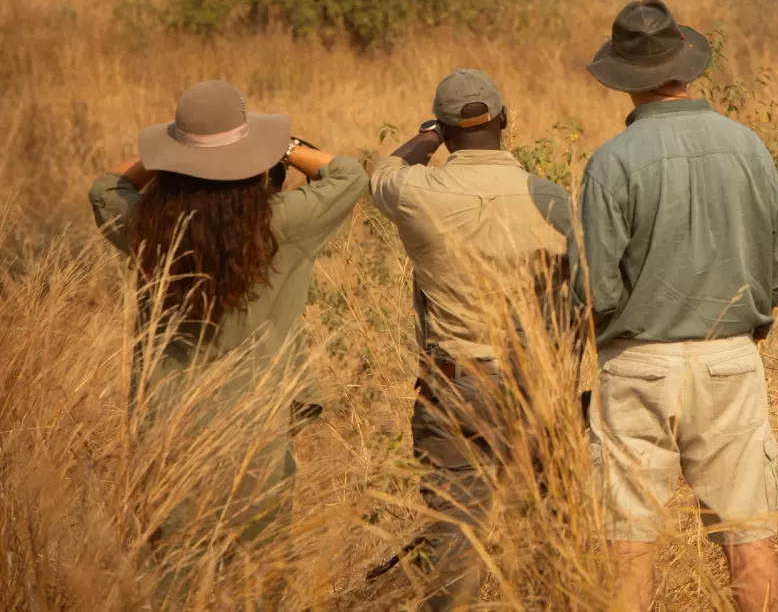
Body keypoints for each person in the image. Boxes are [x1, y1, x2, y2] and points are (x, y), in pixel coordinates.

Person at [87, 80, 367, 550]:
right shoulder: (281, 222)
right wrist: (287, 148)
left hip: (165, 429)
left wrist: (171, 154)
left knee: (173, 568)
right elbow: (348, 175)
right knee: (257, 570)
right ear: (252, 160)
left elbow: (107, 187)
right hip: (257, 429)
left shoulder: (146, 227)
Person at [576, 0, 778, 612]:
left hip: (638, 366)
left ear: (624, 75)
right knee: (750, 540)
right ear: (684, 63)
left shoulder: (612, 161)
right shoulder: (748, 147)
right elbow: (777, 276)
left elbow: (597, 291)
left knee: (628, 546)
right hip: (730, 360)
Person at [368, 69, 577, 610]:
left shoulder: (418, 192)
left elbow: (384, 172)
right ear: (506, 120)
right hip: (537, 381)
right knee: (546, 530)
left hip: (456, 381)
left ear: (444, 129)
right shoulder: (551, 198)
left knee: (453, 531)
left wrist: (426, 138)